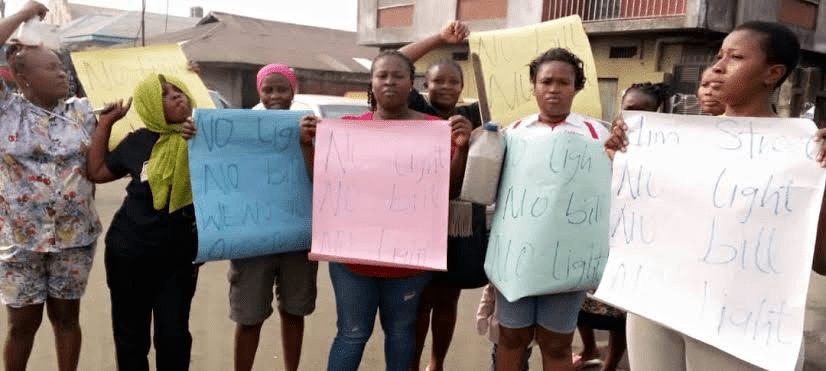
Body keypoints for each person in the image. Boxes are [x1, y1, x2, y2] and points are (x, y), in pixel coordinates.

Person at [605, 21, 809, 371]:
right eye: (718, 55)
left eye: (735, 57)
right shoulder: (676, 141)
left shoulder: (801, 152)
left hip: (739, 322)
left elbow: (818, 258)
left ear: (772, 74)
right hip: (656, 304)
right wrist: (624, 160)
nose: (717, 66)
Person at [299, 50, 472, 371]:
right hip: (353, 260)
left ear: (412, 85)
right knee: (351, 334)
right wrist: (307, 145)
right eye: (382, 75)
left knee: (401, 332)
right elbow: (322, 183)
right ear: (372, 83)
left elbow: (449, 191)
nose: (390, 81)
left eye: (398, 76)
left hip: (408, 260)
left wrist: (460, 151)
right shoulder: (348, 129)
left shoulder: (436, 130)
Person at [495, 48, 610, 371]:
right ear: (533, 85)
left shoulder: (597, 135)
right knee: (511, 339)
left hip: (566, 263)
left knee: (556, 343)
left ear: (577, 87)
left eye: (564, 82)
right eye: (546, 81)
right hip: (516, 259)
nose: (554, 88)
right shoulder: (512, 133)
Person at [0, 3, 101, 371]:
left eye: (62, 66)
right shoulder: (7, 110)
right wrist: (23, 13)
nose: (63, 74)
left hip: (74, 239)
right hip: (21, 241)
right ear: (23, 77)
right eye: (52, 68)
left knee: (66, 319)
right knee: (22, 325)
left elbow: (141, 95)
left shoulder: (82, 112)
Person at [86, 73, 200, 371]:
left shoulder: (207, 138)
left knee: (173, 335)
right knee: (130, 337)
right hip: (129, 251)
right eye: (164, 93)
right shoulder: (138, 141)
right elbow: (97, 171)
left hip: (180, 256)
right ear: (150, 104)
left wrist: (203, 138)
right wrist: (107, 123)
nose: (176, 96)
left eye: (179, 90)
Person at [397, 21, 489, 371]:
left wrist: (484, 49)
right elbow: (396, 60)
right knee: (420, 299)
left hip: (461, 219)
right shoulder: (416, 109)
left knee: (448, 298)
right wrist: (439, 38)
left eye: (453, 81)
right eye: (438, 81)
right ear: (424, 85)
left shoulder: (472, 115)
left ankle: (437, 364)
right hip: (420, 217)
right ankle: (414, 363)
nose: (446, 86)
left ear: (462, 87)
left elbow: (506, 95)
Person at [571, 81, 670, 371]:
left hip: (633, 240)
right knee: (580, 298)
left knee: (619, 312)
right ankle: (588, 347)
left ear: (658, 113)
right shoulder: (600, 136)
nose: (633, 116)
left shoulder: (665, 148)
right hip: (593, 233)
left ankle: (611, 362)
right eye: (629, 109)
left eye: (644, 111)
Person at [230, 63, 318, 371]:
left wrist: (309, 141)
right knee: (249, 316)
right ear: (259, 92)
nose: (275, 95)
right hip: (253, 239)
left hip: (297, 237)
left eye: (282, 89)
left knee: (294, 311)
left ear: (293, 91)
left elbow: (323, 176)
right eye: (268, 89)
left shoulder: (310, 126)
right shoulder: (239, 129)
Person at [477, 283, 532, 371]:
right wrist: (482, 316)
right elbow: (488, 297)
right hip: (501, 335)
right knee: (499, 362)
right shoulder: (499, 279)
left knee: (523, 362)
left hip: (526, 334)